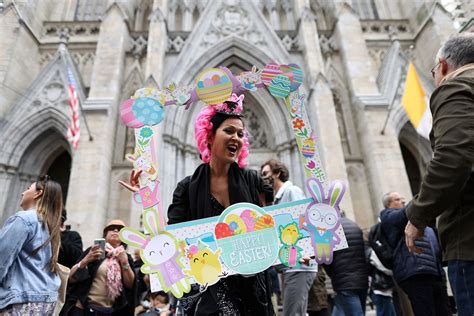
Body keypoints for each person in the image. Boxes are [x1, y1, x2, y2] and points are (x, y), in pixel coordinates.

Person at [122, 94, 274, 315]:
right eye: (229, 131)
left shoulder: (254, 182)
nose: (236, 138)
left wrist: (300, 248)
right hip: (207, 293)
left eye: (241, 134)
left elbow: (275, 225)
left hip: (251, 292)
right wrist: (147, 197)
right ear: (210, 136)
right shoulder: (186, 189)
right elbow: (171, 239)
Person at [404, 33, 474, 316]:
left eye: (433, 72)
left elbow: (454, 157)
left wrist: (418, 215)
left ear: (443, 66)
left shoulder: (457, 87)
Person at [261, 159, 317, 316]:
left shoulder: (292, 191)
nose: (263, 178)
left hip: (301, 264)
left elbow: (304, 221)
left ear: (278, 173)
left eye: (265, 174)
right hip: (291, 265)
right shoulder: (276, 199)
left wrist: (306, 252)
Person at [0, 175, 63, 314]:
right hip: (46, 301)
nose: (23, 192)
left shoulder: (23, 218)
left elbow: (1, 260)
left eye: (28, 188)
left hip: (22, 299)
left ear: (38, 193)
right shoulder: (50, 225)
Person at [381, 191, 451, 316]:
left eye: (402, 199)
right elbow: (405, 214)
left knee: (444, 311)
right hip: (416, 272)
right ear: (388, 204)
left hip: (435, 272)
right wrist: (424, 197)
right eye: (397, 199)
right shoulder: (388, 216)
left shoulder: (417, 217)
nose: (402, 201)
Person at [60, 219, 136, 315]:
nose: (116, 231)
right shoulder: (93, 251)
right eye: (111, 228)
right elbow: (70, 278)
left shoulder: (127, 258)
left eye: (120, 229)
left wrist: (124, 262)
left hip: (110, 312)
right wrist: (86, 259)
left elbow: (130, 285)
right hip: (83, 309)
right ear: (105, 234)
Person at [324, 216, 368, 316]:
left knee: (355, 313)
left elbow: (326, 259)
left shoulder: (329, 229)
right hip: (361, 278)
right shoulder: (354, 225)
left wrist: (333, 274)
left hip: (344, 280)